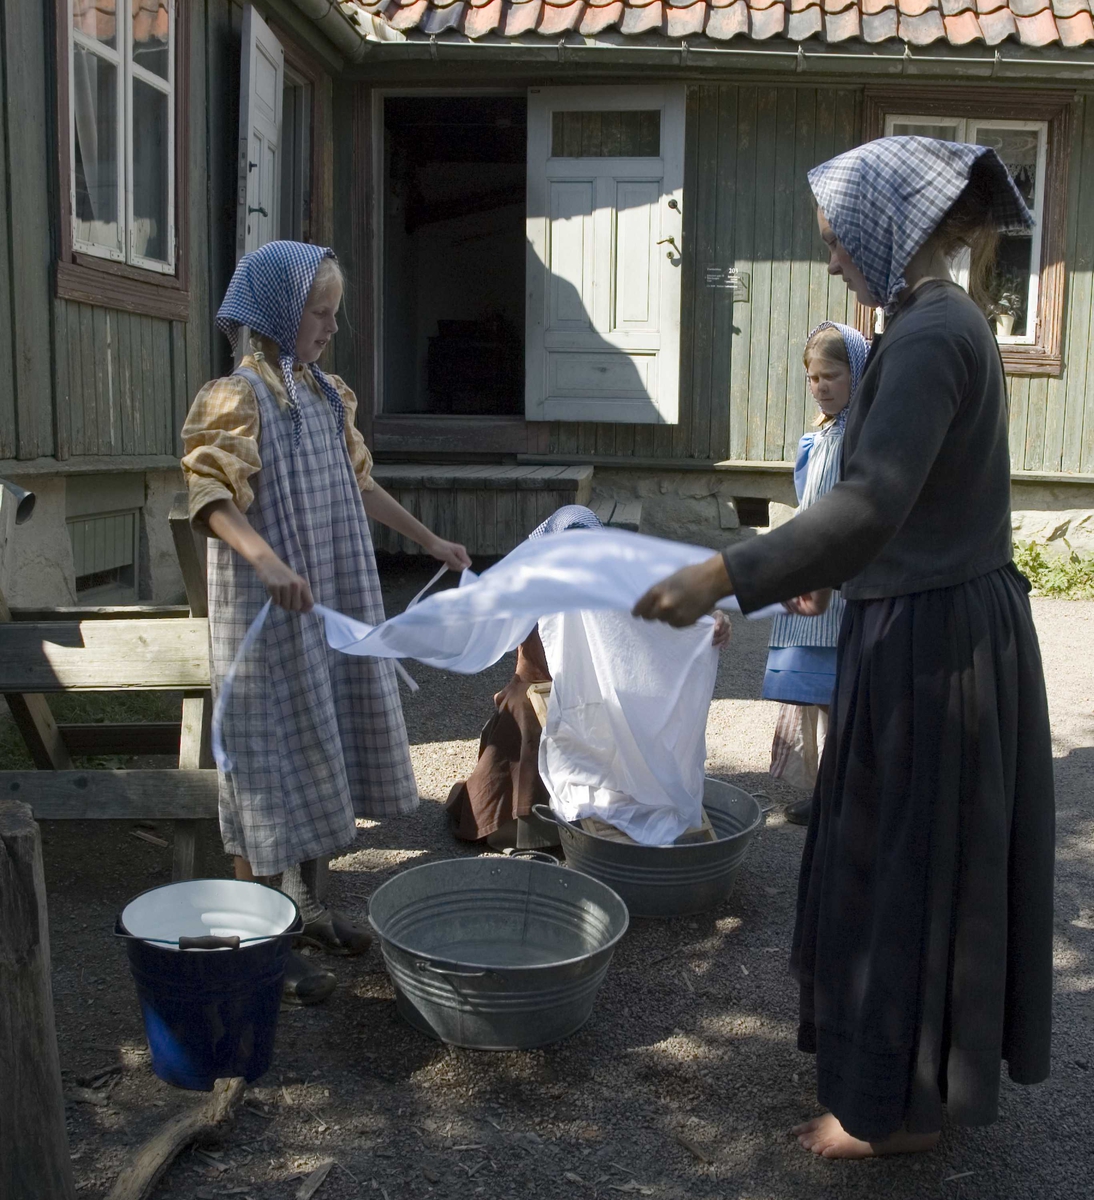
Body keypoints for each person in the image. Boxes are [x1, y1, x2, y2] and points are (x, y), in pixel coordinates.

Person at [633, 138, 1054, 1158]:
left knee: (904, 870)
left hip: (933, 644)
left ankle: (895, 1113)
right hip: (926, 613)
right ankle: (905, 1097)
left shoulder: (921, 338)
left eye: (833, 240)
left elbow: (865, 504)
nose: (827, 259)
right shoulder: (929, 321)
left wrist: (721, 574)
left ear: (882, 231)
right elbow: (900, 503)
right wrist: (833, 567)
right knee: (907, 861)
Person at [182, 241, 470, 1004]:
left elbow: (362, 487)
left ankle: (310, 908)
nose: (331, 327)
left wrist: (428, 540)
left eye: (334, 314)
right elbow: (208, 497)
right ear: (278, 313)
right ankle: (257, 937)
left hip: (332, 592)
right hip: (267, 608)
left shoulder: (326, 395)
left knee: (325, 735)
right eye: (320, 312)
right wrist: (266, 560)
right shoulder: (235, 398)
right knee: (265, 753)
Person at [446, 505, 731, 848]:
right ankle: (530, 831)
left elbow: (664, 612)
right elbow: (515, 651)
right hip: (540, 685)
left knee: (625, 723)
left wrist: (709, 623)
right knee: (524, 714)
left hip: (600, 689)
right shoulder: (532, 584)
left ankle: (606, 818)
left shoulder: (614, 581)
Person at [765, 322, 867, 825]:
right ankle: (829, 789)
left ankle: (847, 793)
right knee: (822, 697)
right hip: (813, 574)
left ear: (859, 374)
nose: (821, 387)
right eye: (813, 378)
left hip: (840, 584)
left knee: (843, 694)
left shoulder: (860, 436)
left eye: (832, 376)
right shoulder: (823, 433)